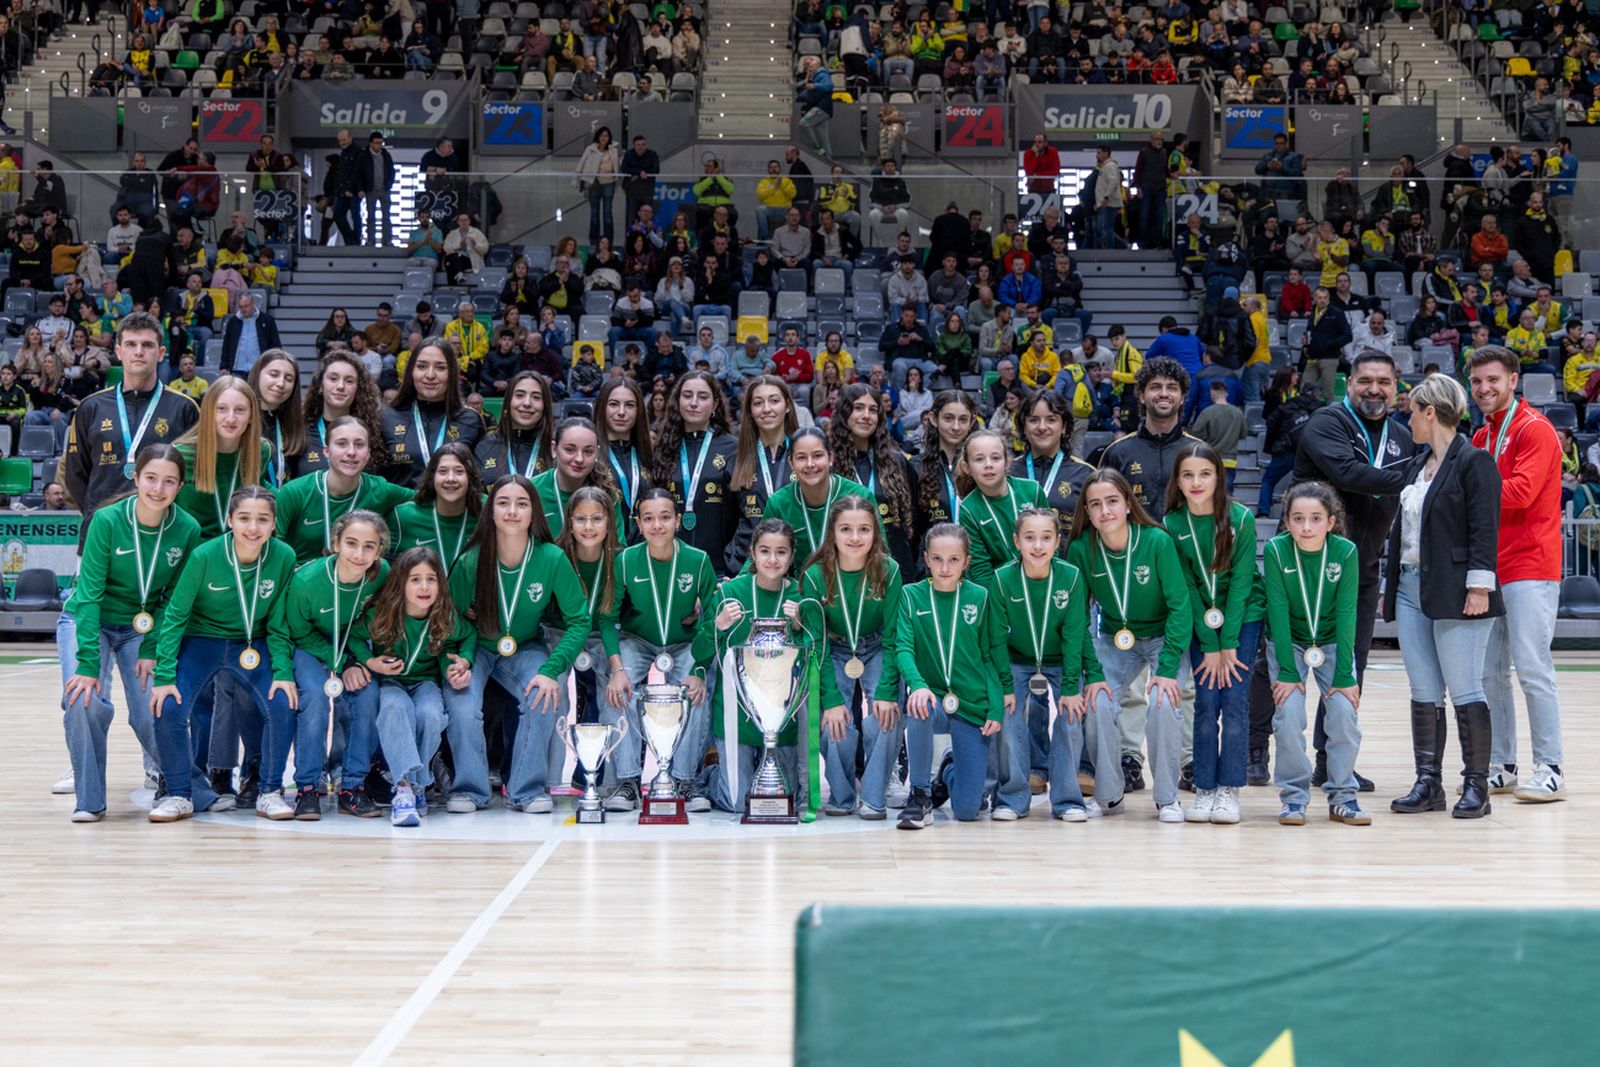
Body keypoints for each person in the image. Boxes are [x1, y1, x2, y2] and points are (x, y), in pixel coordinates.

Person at [1264, 351, 1415, 791]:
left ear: (1396, 386)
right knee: (1274, 663)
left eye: (1384, 382)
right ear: (1349, 385)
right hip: (1301, 569)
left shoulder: (1401, 437)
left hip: (1360, 569)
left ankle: (1332, 763)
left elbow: (1398, 507)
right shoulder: (1327, 423)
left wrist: (1390, 570)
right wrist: (1417, 473)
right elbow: (1349, 474)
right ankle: (1256, 752)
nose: (1374, 389)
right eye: (1366, 380)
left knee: (1352, 665)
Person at [1378, 373, 1503, 819]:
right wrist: (1389, 588)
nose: (1407, 418)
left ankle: (1476, 787)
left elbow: (1485, 527)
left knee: (1466, 686)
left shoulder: (1475, 461)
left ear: (1431, 413)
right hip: (1412, 588)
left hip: (1460, 589)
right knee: (1424, 688)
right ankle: (1428, 782)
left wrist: (1479, 585)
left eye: (1412, 410)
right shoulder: (1416, 465)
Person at [58, 444, 202, 821]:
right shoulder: (106, 520)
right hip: (88, 620)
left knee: (153, 706)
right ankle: (89, 799)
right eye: (151, 478)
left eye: (169, 481)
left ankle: (182, 784)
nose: (158, 489)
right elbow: (88, 596)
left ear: (180, 486)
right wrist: (88, 663)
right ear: (135, 477)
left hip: (142, 629)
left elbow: (173, 599)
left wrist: (152, 646)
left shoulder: (187, 529)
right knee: (82, 699)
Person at [145, 487, 298, 822]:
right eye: (244, 518)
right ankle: (179, 793)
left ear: (274, 524)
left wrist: (284, 671)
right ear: (230, 520)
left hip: (253, 642)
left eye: (263, 519)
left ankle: (270, 791)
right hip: (202, 639)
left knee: (282, 701)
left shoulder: (284, 556)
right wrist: (164, 676)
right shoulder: (204, 555)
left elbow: (278, 621)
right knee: (167, 705)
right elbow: (175, 616)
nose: (253, 527)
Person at [441, 474, 590, 813]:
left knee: (543, 695)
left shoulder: (551, 558)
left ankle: (526, 789)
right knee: (462, 705)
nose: (512, 511)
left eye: (521, 504)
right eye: (503, 503)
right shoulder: (471, 560)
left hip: (524, 646)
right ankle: (469, 789)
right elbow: (450, 621)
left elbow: (579, 619)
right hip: (475, 648)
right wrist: (459, 661)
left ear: (534, 512)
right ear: (490, 511)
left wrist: (552, 669)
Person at [1468, 346, 1567, 802]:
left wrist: (1465, 489)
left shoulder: (1535, 429)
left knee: (1531, 667)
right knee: (1490, 673)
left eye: (1493, 379)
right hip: (1490, 567)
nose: (1484, 388)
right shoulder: (1481, 437)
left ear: (1513, 379)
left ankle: (1550, 767)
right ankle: (1502, 764)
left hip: (1529, 563)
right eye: (1477, 382)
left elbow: (1523, 493)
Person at [1067, 470, 1190, 823]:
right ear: (1087, 512)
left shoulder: (1155, 541)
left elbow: (1180, 606)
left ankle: (1167, 798)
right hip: (1115, 639)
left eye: (1112, 501)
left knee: (1164, 702)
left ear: (1127, 504)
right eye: (1095, 504)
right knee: (1098, 701)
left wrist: (1167, 669)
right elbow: (1079, 619)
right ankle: (1108, 796)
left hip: (1163, 636)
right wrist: (1092, 673)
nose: (1105, 511)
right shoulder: (1080, 549)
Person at [596, 488, 718, 809]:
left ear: (678, 521)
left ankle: (683, 780)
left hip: (683, 642)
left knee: (697, 693)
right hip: (638, 640)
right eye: (648, 518)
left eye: (665, 517)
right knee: (617, 690)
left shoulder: (699, 561)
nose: (657, 525)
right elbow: (607, 619)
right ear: (638, 522)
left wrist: (699, 670)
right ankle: (627, 781)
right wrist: (617, 670)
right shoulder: (625, 561)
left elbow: (711, 621)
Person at [268, 510, 389, 819]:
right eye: (351, 543)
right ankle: (307, 788)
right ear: (335, 543)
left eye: (369, 546)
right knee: (316, 698)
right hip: (309, 643)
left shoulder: (383, 575)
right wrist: (344, 662)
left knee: (367, 696)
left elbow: (366, 624)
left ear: (379, 552)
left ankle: (352, 786)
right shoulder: (307, 580)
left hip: (351, 641)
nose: (359, 554)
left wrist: (360, 658)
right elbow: (299, 631)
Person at [1165, 443, 1262, 825]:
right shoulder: (1172, 524)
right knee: (1205, 703)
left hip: (1243, 619)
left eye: (1205, 473)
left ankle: (1229, 790)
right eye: (1187, 475)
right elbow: (1186, 586)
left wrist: (1229, 644)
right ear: (1178, 480)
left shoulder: (1240, 517)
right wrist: (1209, 645)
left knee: (1234, 703)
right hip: (1199, 619)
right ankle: (1204, 787)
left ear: (1219, 476)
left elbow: (1240, 584)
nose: (1196, 482)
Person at [1261, 482, 1367, 827]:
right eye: (1298, 519)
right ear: (1287, 522)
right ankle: (1294, 798)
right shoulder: (1277, 551)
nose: (1307, 527)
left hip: (1333, 642)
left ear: (1331, 522)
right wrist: (1288, 672)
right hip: (1288, 641)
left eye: (1316, 519)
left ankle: (1343, 796)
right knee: (1289, 715)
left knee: (1343, 714)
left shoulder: (1346, 552)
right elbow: (1276, 608)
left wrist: (1345, 675)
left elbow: (1349, 612)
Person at [894, 522, 1008, 829]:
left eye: (954, 560)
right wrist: (917, 685)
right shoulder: (910, 596)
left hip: (971, 702)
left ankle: (948, 769)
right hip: (932, 698)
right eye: (938, 559)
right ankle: (919, 795)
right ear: (927, 559)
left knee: (968, 811)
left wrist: (995, 707)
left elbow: (991, 658)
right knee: (918, 707)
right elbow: (903, 648)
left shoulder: (982, 597)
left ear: (967, 562)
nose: (945, 568)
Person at [799, 495, 904, 819]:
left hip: (876, 647)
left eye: (864, 530)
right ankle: (842, 797)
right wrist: (830, 699)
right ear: (832, 532)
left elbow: (894, 637)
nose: (855, 538)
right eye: (846, 529)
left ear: (875, 534)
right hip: (833, 647)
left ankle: (874, 796)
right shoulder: (815, 576)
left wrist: (886, 691)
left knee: (885, 714)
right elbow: (816, 643)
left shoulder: (889, 570)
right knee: (835, 719)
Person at [359, 547, 476, 826]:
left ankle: (419, 786)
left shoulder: (444, 615)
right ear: (401, 583)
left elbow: (469, 634)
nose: (424, 587)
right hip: (391, 682)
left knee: (431, 714)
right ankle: (402, 789)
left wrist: (466, 660)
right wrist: (369, 661)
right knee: (395, 710)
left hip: (424, 683)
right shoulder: (383, 612)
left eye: (431, 579)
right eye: (415, 579)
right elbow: (353, 636)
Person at [699, 518, 806, 813]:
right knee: (738, 803)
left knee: (784, 801)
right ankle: (708, 776)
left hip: (782, 714)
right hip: (737, 714)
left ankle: (758, 763)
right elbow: (700, 651)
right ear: (752, 554)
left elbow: (813, 657)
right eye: (765, 551)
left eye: (781, 552)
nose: (772, 559)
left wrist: (798, 625)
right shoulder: (728, 594)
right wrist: (717, 626)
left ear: (791, 555)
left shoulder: (799, 597)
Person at [992, 506, 1092, 821]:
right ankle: (1013, 798)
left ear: (1057, 541)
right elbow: (996, 640)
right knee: (1009, 715)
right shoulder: (1002, 579)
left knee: (1071, 717)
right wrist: (1006, 687)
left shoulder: (1071, 577)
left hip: (1060, 661)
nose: (1038, 546)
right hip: (1017, 661)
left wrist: (1072, 687)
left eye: (1046, 538)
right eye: (1030, 538)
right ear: (1016, 541)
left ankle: (1067, 800)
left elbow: (1075, 636)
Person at [63, 312, 199, 523]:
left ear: (161, 352)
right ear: (118, 351)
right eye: (130, 344)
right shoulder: (90, 407)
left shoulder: (185, 408)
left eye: (147, 345)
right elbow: (74, 475)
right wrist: (98, 514)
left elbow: (193, 477)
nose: (138, 352)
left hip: (163, 533)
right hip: (103, 534)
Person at [274, 416, 414, 564]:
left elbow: (423, 498)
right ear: (327, 451)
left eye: (359, 445)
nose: (351, 452)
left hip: (357, 581)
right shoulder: (295, 492)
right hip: (302, 580)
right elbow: (272, 548)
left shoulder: (380, 489)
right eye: (342, 444)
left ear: (368, 454)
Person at [650, 371, 738, 574]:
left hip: (719, 571)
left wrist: (732, 565)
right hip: (669, 567)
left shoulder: (733, 449)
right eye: (687, 395)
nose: (694, 403)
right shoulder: (663, 448)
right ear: (678, 400)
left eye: (703, 397)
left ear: (715, 404)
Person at [171, 376, 272, 540]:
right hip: (193, 554)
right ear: (208, 412)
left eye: (240, 410)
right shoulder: (180, 456)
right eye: (222, 409)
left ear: (252, 416)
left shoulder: (261, 451)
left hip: (241, 552)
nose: (231, 418)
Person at [759, 427, 875, 566]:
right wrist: (738, 583)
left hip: (854, 584)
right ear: (791, 463)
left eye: (817, 456)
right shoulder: (778, 503)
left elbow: (880, 552)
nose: (810, 464)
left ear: (830, 458)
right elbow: (762, 551)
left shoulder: (860, 496)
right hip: (802, 585)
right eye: (801, 457)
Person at [1099, 357, 1196, 520]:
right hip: (1133, 545)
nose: (1164, 394)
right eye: (1155, 387)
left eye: (1172, 388)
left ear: (1182, 398)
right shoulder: (1117, 452)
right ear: (1142, 396)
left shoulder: (1197, 452)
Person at [382, 341, 488, 488]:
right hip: (401, 510)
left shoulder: (470, 420)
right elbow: (375, 482)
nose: (430, 375)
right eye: (422, 366)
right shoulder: (386, 417)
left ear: (451, 372)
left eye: (440, 367)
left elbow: (478, 481)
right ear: (411, 371)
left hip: (452, 510)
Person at [957, 428, 1050, 591]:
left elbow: (1050, 544)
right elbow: (980, 570)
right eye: (979, 459)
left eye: (996, 458)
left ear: (1007, 463)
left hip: (1041, 582)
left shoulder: (1032, 491)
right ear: (967, 467)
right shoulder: (968, 509)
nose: (988, 465)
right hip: (1002, 592)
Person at [390, 442, 482, 575]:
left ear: (470, 477)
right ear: (432, 477)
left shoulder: (486, 513)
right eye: (443, 471)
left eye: (459, 471)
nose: (451, 478)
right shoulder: (403, 517)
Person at [476, 370, 555, 482]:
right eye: (519, 395)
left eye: (536, 397)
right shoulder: (484, 446)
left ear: (545, 406)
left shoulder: (555, 450)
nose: (527, 403)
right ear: (508, 401)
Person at [575, 126, 619, 247]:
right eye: (601, 135)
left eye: (606, 136)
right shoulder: (590, 149)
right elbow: (581, 163)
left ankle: (608, 243)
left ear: (609, 137)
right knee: (594, 214)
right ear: (597, 137)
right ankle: (594, 243)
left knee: (607, 214)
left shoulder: (614, 149)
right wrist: (578, 180)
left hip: (609, 182)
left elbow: (617, 165)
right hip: (593, 183)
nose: (604, 138)